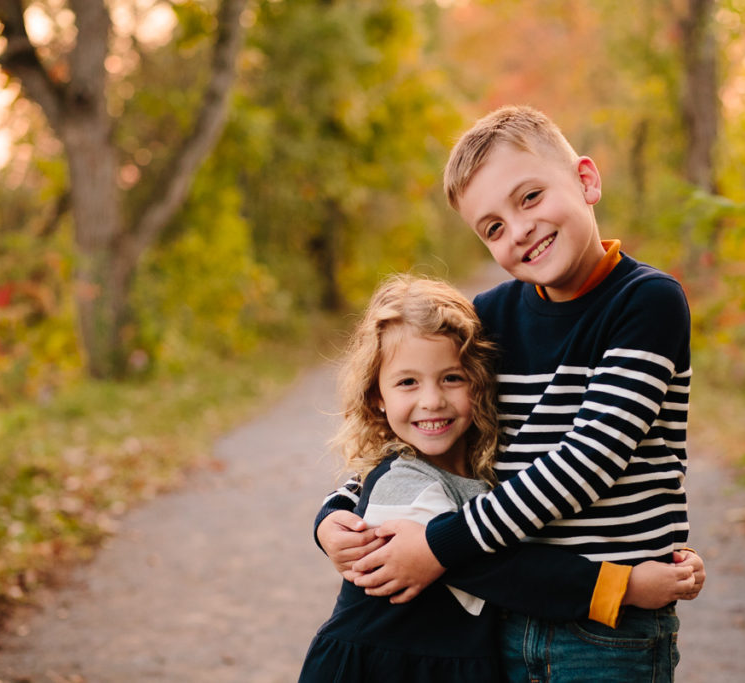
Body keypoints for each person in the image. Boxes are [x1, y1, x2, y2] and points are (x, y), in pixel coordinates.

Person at [317, 106, 705, 682]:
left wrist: (437, 547)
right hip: (501, 616)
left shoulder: (645, 303)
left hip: (610, 631)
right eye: (493, 227)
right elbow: (434, 446)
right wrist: (337, 513)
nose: (519, 229)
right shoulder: (491, 317)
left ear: (586, 180)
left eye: (529, 198)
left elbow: (584, 465)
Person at [299, 274, 697, 683]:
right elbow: (504, 571)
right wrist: (624, 587)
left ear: (482, 380)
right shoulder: (405, 484)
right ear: (376, 398)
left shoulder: (483, 458)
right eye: (407, 382)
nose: (432, 400)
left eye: (452, 377)